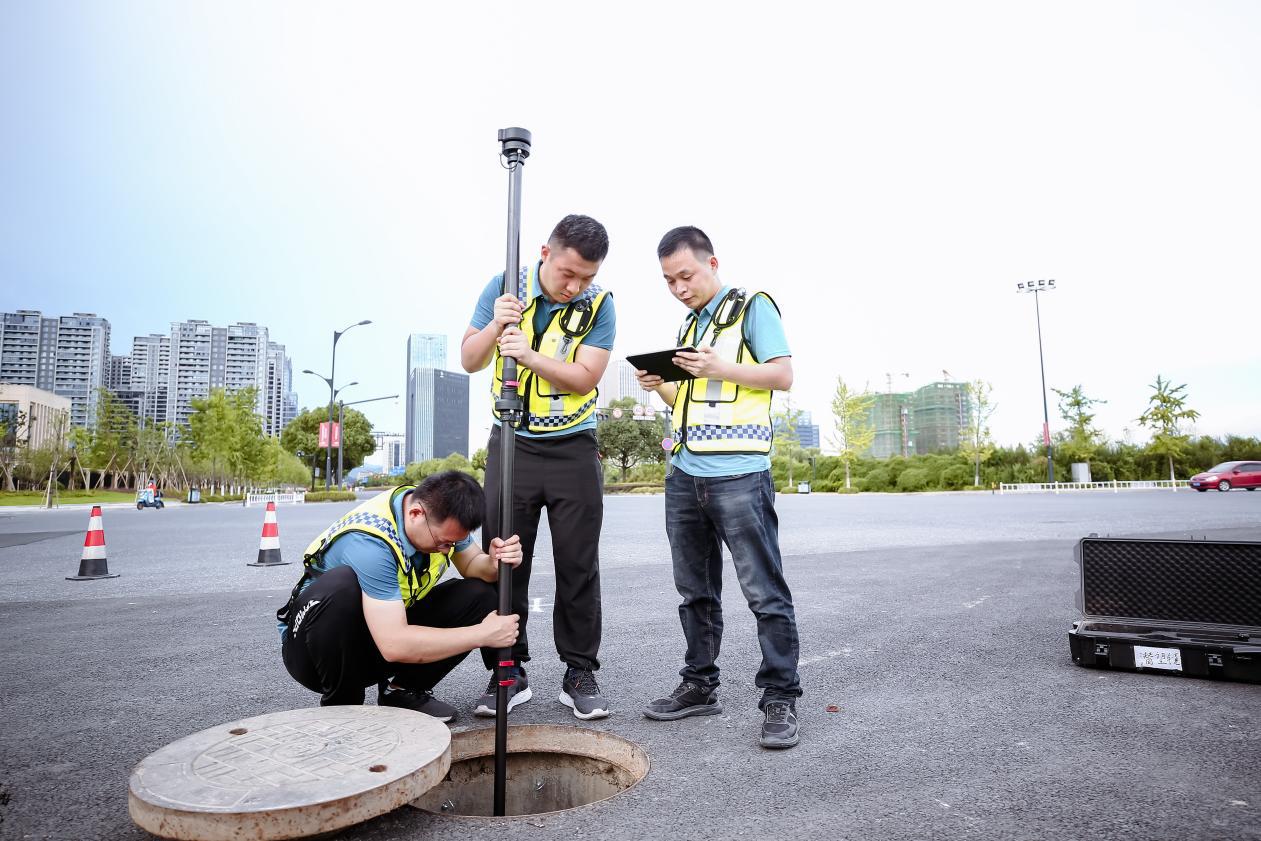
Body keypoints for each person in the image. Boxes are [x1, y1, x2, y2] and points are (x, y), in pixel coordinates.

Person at [634, 226, 803, 748]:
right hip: (686, 474)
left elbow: (783, 375)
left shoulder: (753, 307)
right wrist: (659, 385)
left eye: (685, 275)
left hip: (740, 474)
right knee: (694, 593)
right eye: (668, 281)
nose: (679, 288)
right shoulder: (690, 321)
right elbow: (690, 404)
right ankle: (699, 685)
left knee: (763, 592)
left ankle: (779, 698)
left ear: (712, 262)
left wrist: (719, 365)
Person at [460, 213, 615, 720]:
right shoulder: (504, 284)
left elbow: (585, 377)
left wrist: (525, 353)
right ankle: (508, 668)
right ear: (546, 254)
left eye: (586, 277)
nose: (575, 286)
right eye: (568, 273)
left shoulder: (600, 306)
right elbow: (469, 358)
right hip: (512, 444)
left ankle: (579, 670)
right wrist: (496, 326)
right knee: (503, 558)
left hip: (573, 448)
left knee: (578, 564)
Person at [278, 471, 522, 722]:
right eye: (443, 543)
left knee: (479, 593)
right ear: (416, 514)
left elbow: (471, 562)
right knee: (341, 588)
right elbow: (394, 644)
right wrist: (484, 634)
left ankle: (401, 690)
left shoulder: (439, 509)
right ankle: (343, 708)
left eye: (452, 544)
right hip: (312, 653)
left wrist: (494, 563)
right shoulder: (370, 543)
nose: (446, 549)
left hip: (377, 633)